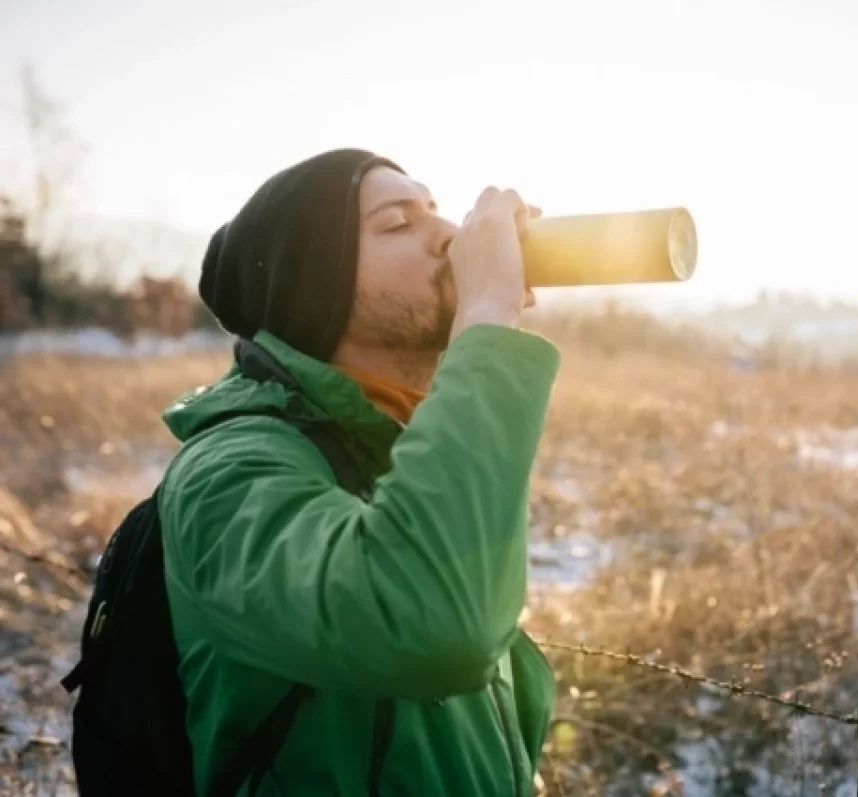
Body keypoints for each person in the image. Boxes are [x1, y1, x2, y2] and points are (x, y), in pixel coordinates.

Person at [157, 148, 559, 796]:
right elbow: (433, 621)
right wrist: (485, 315)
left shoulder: (404, 446)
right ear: (314, 284)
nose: (452, 235)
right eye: (398, 223)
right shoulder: (227, 472)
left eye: (435, 209)